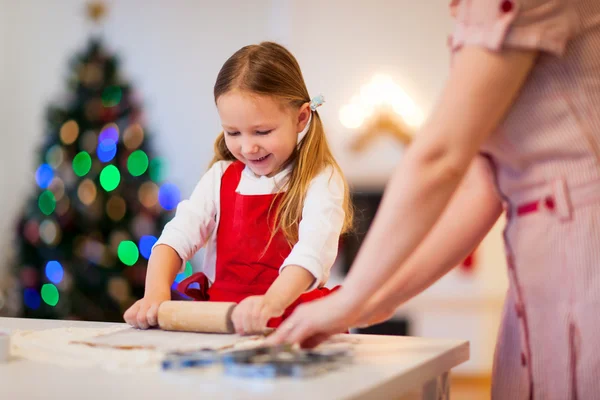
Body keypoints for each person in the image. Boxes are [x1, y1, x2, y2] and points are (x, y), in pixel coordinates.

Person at [267, 1, 600, 398]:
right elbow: (482, 186)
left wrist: (351, 295)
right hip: (535, 280)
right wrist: (379, 297)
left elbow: (439, 157)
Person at [124, 41, 353, 336]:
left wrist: (270, 303)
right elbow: (177, 237)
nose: (247, 147)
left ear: (301, 118)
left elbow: (312, 253)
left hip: (293, 325)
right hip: (223, 324)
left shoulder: (320, 179)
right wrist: (155, 294)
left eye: (262, 131)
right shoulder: (219, 177)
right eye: (233, 132)